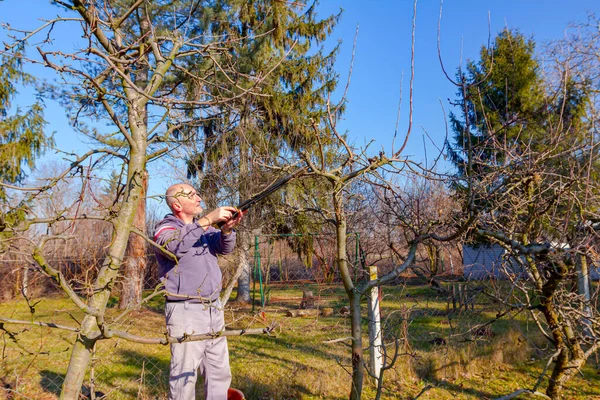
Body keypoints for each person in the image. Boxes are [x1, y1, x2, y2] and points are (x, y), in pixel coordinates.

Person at [153, 183, 243, 400]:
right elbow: (173, 246)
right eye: (192, 195)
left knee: (219, 372)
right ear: (177, 205)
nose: (199, 198)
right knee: (184, 375)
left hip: (213, 307)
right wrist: (208, 219)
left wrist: (227, 229)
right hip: (185, 310)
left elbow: (224, 248)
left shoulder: (204, 229)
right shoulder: (165, 229)